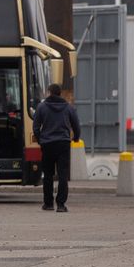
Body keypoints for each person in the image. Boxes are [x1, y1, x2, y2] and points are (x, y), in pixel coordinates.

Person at [32, 83, 81, 213]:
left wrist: (41, 139)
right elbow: (76, 125)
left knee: (48, 175)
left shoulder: (41, 107)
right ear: (60, 93)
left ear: (49, 92)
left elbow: (35, 127)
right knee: (63, 174)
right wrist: (75, 138)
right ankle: (61, 205)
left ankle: (48, 203)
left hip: (47, 144)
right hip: (63, 144)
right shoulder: (68, 108)